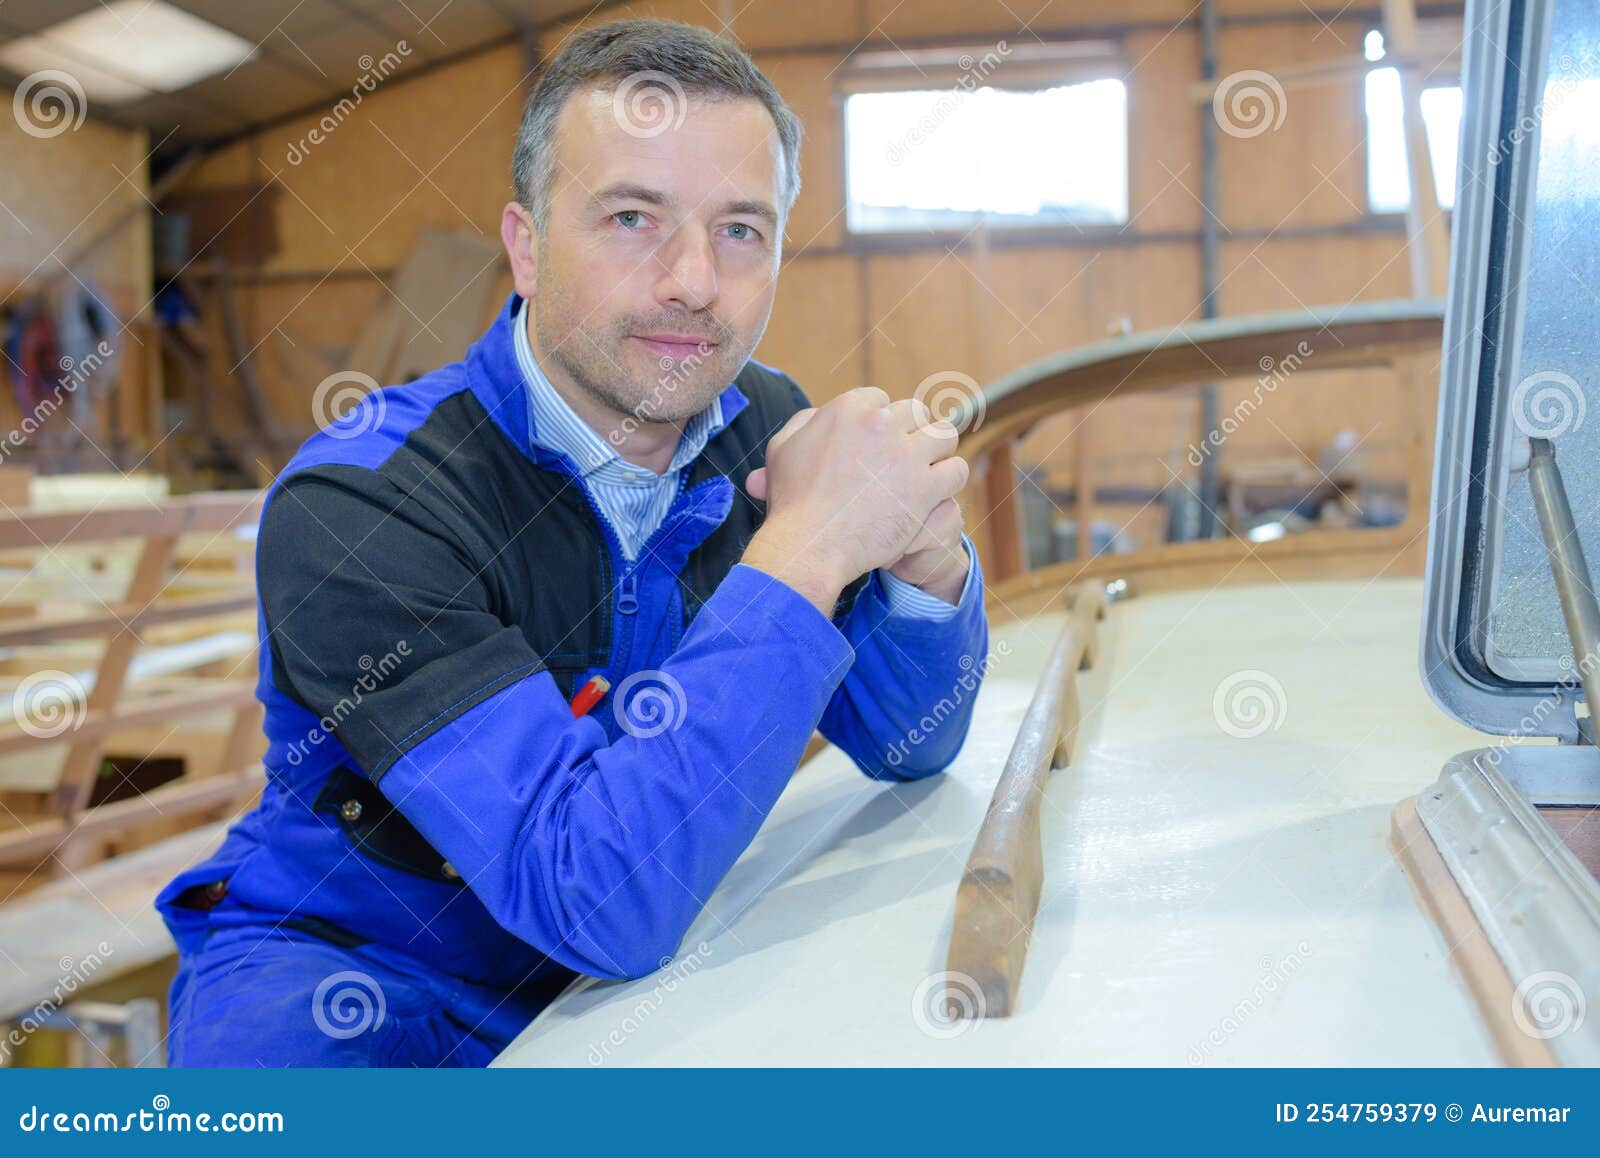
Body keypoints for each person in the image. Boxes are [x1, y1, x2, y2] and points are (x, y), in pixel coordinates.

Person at [158, 17, 988, 1067]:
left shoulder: (763, 426)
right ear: (525, 244)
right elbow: (587, 893)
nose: (694, 280)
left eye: (742, 229)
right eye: (633, 217)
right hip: (361, 974)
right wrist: (810, 552)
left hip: (634, 948)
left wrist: (924, 567)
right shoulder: (361, 505)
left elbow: (911, 742)